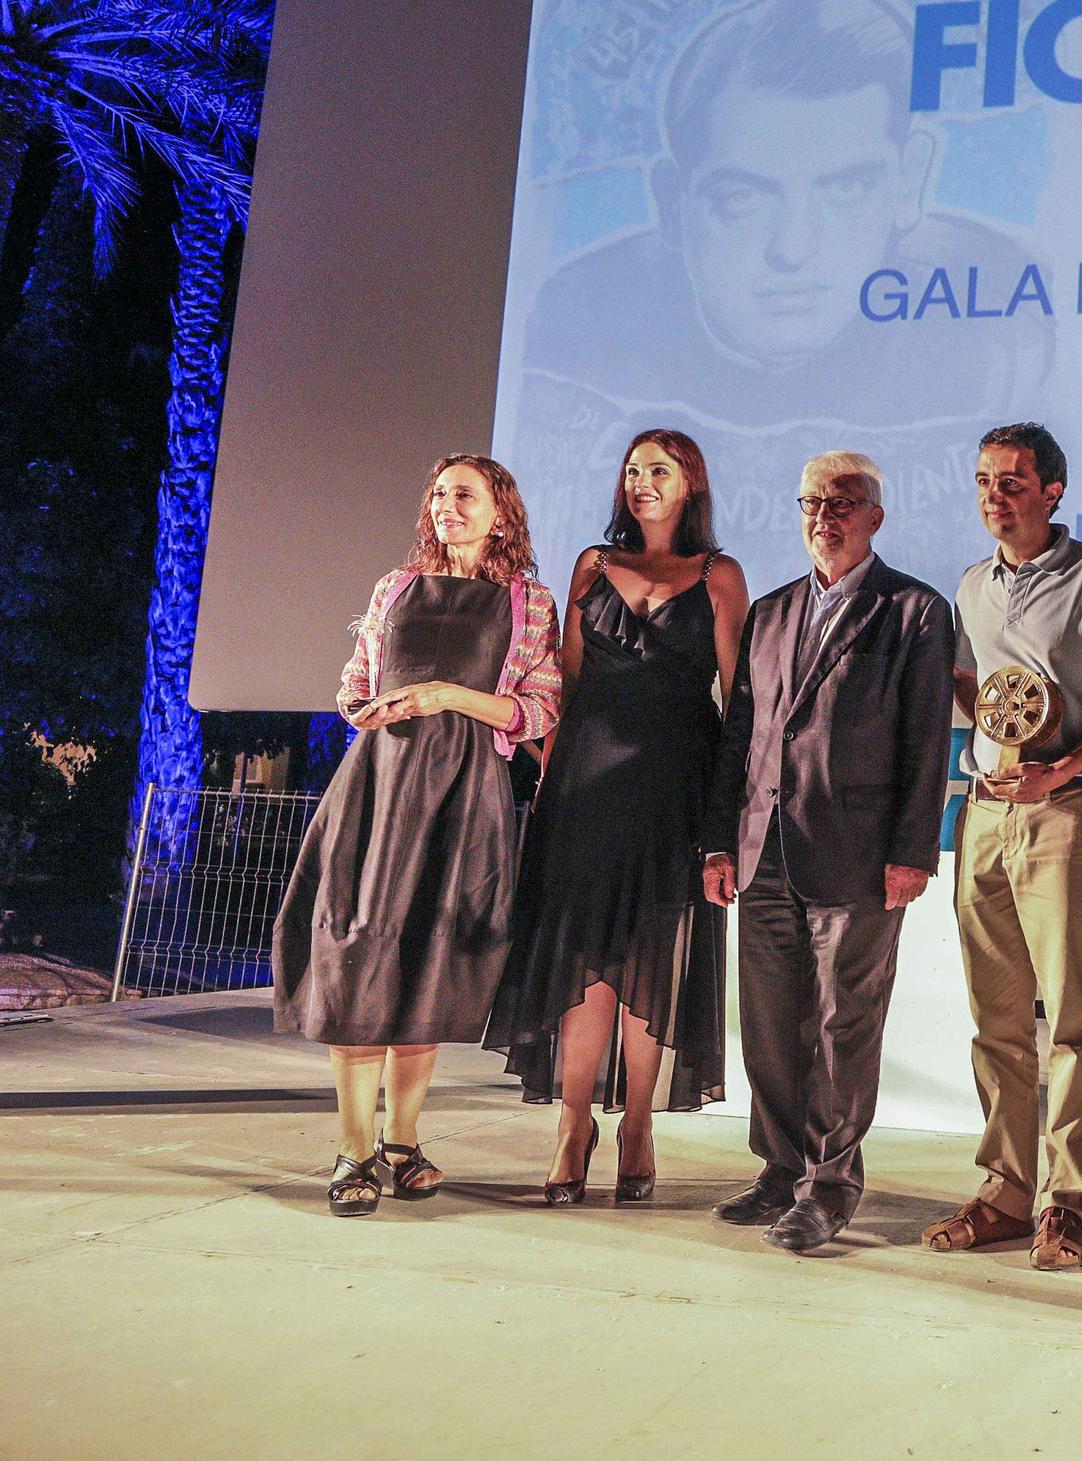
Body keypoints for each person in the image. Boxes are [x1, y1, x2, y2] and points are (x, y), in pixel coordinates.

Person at [510, 0, 1051, 594]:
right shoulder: (577, 329)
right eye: (743, 197)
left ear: (909, 180)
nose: (793, 249)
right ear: (672, 202)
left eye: (844, 188)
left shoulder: (1003, 329)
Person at [273, 454, 560, 1217]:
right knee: (358, 956)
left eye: (463, 495)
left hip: (463, 799)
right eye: (438, 494)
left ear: (501, 509)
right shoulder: (393, 587)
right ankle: (354, 1148)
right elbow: (356, 681)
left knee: (429, 959)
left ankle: (402, 1140)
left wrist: (444, 694)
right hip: (379, 789)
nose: (445, 507)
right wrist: (358, 703)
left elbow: (536, 712)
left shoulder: (529, 603)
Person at [485, 430, 749, 1204]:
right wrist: (553, 771)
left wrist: (722, 820)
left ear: (690, 483)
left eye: (658, 470)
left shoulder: (720, 574)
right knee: (580, 958)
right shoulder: (592, 565)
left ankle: (637, 1124)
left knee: (649, 960)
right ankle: (574, 1124)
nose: (641, 482)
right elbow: (563, 683)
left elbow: (738, 706)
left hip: (675, 788)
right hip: (583, 789)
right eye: (632, 470)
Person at [701, 450, 955, 1252]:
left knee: (845, 1022)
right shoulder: (772, 611)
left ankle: (832, 1183)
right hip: (763, 846)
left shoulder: (914, 609)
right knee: (771, 1020)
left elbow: (925, 742)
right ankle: (780, 1170)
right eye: (812, 500)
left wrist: (913, 849)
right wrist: (719, 841)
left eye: (843, 502)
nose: (825, 515)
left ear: (875, 516)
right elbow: (739, 733)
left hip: (860, 851)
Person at [919, 423, 1082, 1271]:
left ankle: (1065, 1203)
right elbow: (970, 682)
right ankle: (1006, 1191)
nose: (995, 495)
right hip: (981, 815)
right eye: (984, 480)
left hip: (1070, 816)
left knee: (1075, 1023)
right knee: (998, 1021)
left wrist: (1059, 768)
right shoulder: (971, 584)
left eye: (1013, 481)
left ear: (1054, 490)